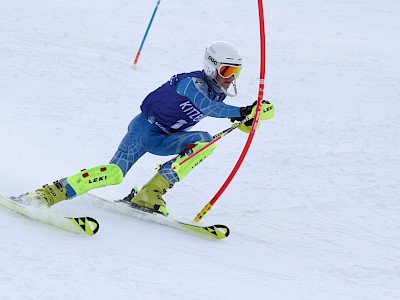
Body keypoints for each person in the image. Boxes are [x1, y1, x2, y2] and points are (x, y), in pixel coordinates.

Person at [30, 41, 274, 216]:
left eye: (236, 72)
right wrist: (244, 110)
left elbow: (233, 119)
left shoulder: (216, 91)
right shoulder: (192, 83)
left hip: (167, 137)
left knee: (205, 141)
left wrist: (252, 117)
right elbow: (207, 108)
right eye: (227, 71)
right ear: (211, 66)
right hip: (144, 131)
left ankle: (149, 194)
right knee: (115, 174)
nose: (231, 78)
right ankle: (53, 191)